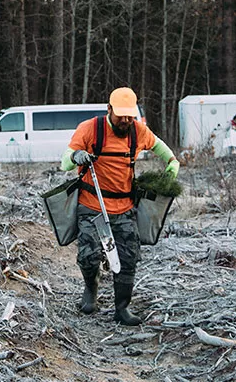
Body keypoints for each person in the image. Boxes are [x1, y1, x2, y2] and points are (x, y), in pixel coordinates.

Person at [60, 87, 180, 326]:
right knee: (89, 255)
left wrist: (172, 164)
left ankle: (122, 308)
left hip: (124, 207)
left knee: (128, 257)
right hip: (91, 205)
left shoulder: (138, 131)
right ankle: (90, 290)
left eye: (129, 116)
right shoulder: (90, 129)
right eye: (121, 116)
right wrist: (77, 156)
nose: (125, 120)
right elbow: (64, 162)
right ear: (109, 109)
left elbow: (162, 149)